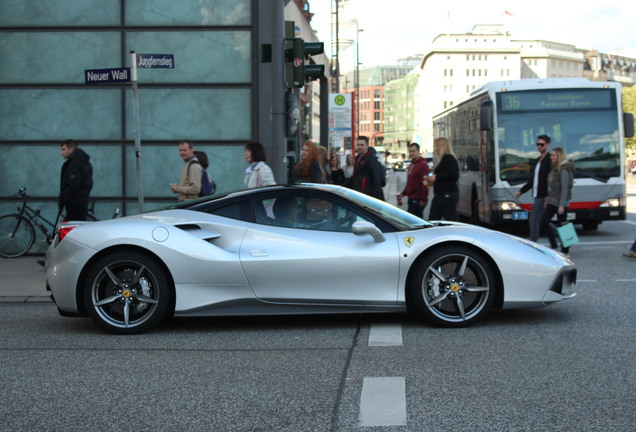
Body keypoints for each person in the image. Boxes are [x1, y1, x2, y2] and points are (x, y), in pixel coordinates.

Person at [515, 135, 552, 242]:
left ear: (548, 145)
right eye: (538, 144)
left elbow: (550, 181)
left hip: (544, 196)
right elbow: (533, 180)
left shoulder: (549, 161)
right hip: (538, 195)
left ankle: (533, 243)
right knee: (544, 221)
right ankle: (566, 241)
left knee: (535, 220)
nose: (539, 147)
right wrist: (522, 191)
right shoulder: (538, 161)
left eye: (542, 144)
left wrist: (547, 195)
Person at [540, 147, 575, 255]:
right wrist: (547, 198)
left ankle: (566, 251)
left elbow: (565, 188)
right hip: (553, 201)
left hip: (560, 202)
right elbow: (551, 186)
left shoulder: (563, 170)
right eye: (551, 155)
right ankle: (554, 245)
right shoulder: (554, 169)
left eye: (553, 155)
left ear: (559, 156)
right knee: (544, 221)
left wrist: (562, 205)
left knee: (563, 225)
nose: (551, 157)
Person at [425, 137, 459, 221]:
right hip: (441, 195)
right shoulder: (445, 159)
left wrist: (436, 177)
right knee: (435, 219)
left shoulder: (448, 158)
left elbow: (452, 174)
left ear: (443, 147)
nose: (436, 149)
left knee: (449, 220)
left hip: (447, 195)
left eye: (437, 146)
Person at [59, 139, 93, 221]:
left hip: (74, 203)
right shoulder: (83, 162)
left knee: (72, 227)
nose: (61, 152)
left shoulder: (75, 164)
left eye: (63, 149)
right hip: (81, 201)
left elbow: (73, 185)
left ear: (71, 149)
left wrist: (64, 198)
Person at [397, 143, 430, 218]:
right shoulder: (412, 164)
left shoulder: (423, 164)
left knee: (414, 222)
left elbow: (425, 183)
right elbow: (410, 183)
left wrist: (423, 199)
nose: (411, 153)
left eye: (413, 151)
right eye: (410, 151)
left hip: (417, 198)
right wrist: (403, 194)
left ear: (418, 152)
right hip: (411, 198)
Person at [349, 135, 385, 200]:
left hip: (367, 195)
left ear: (367, 145)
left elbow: (375, 178)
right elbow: (355, 176)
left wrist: (377, 198)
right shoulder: (358, 158)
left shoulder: (370, 159)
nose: (359, 147)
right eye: (358, 145)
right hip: (359, 193)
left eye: (362, 145)